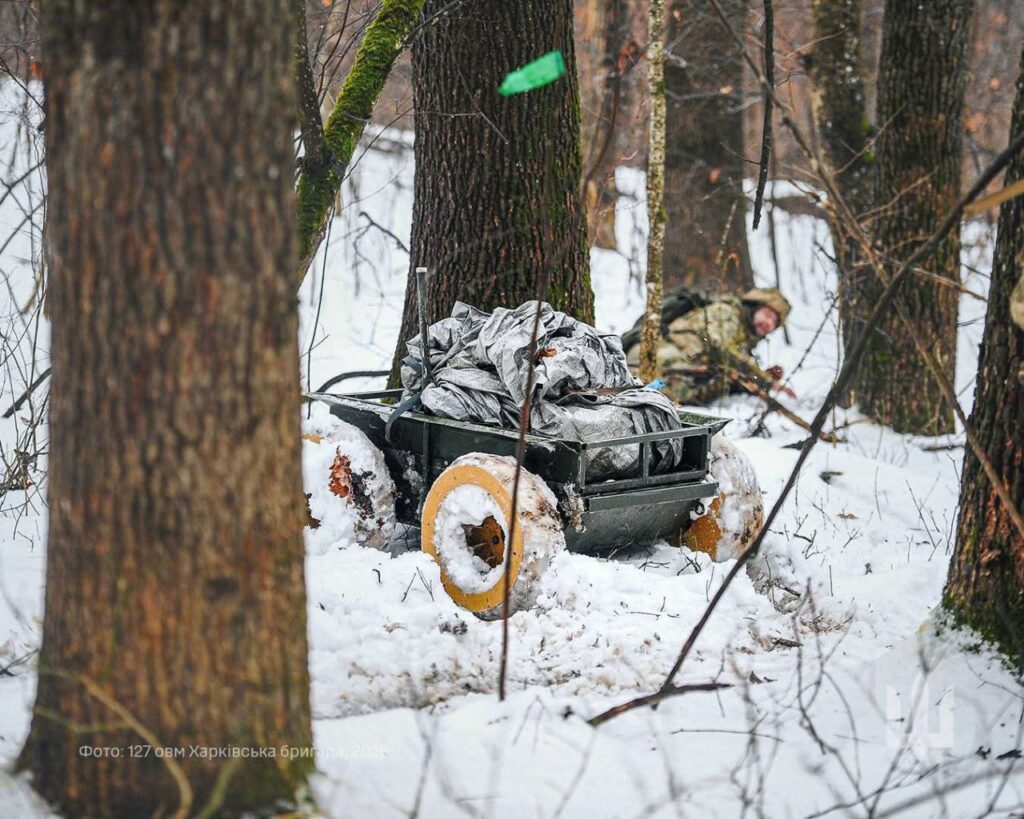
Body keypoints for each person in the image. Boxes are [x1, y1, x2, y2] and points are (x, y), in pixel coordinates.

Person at [623, 287, 792, 406]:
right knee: (659, 390)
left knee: (678, 391)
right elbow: (718, 348)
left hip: (673, 367)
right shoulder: (727, 314)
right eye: (768, 314)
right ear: (754, 306)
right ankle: (629, 391)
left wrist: (759, 378)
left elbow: (730, 369)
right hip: (658, 356)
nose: (769, 323)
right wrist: (764, 380)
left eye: (775, 322)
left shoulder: (743, 335)